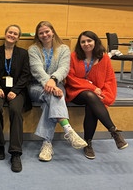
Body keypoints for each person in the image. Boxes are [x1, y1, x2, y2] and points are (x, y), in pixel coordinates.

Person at [28, 21, 87, 162]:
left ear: (53, 32)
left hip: (57, 85)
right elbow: (37, 70)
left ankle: (47, 144)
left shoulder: (64, 49)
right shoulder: (33, 49)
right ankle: (68, 130)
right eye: (41, 33)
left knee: (51, 100)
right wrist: (50, 84)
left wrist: (53, 81)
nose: (44, 35)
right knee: (54, 95)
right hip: (36, 86)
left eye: (47, 31)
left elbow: (64, 68)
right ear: (38, 35)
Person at [65, 31, 128, 159]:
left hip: (95, 94)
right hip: (75, 91)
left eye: (89, 41)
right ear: (79, 44)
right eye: (83, 42)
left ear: (95, 42)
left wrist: (103, 94)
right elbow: (71, 78)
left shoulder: (104, 58)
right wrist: (93, 88)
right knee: (89, 96)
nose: (86, 44)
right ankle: (113, 131)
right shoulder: (73, 56)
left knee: (91, 105)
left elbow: (109, 79)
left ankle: (88, 143)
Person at [0, 24, 31, 172]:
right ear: (5, 34)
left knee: (15, 110)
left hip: (17, 90)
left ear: (18, 37)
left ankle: (15, 153)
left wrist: (16, 91)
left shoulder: (23, 54)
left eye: (15, 34)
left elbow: (25, 75)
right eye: (10, 32)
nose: (12, 35)